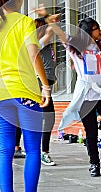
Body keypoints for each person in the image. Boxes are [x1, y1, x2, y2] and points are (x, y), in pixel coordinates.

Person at [38, 0, 101, 177]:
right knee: (91, 133)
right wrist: (47, 17)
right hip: (86, 97)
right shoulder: (76, 48)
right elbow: (60, 33)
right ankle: (94, 164)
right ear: (88, 31)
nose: (99, 30)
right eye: (96, 28)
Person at [0, 0, 51, 192]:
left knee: (4, 151)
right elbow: (33, 54)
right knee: (33, 150)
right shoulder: (24, 22)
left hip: (0, 95)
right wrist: (45, 86)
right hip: (25, 93)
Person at [34, 17, 57, 166]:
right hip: (41, 84)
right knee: (48, 117)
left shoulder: (46, 44)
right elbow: (50, 31)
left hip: (45, 83)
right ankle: (43, 152)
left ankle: (40, 151)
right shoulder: (39, 43)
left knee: (46, 118)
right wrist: (51, 20)